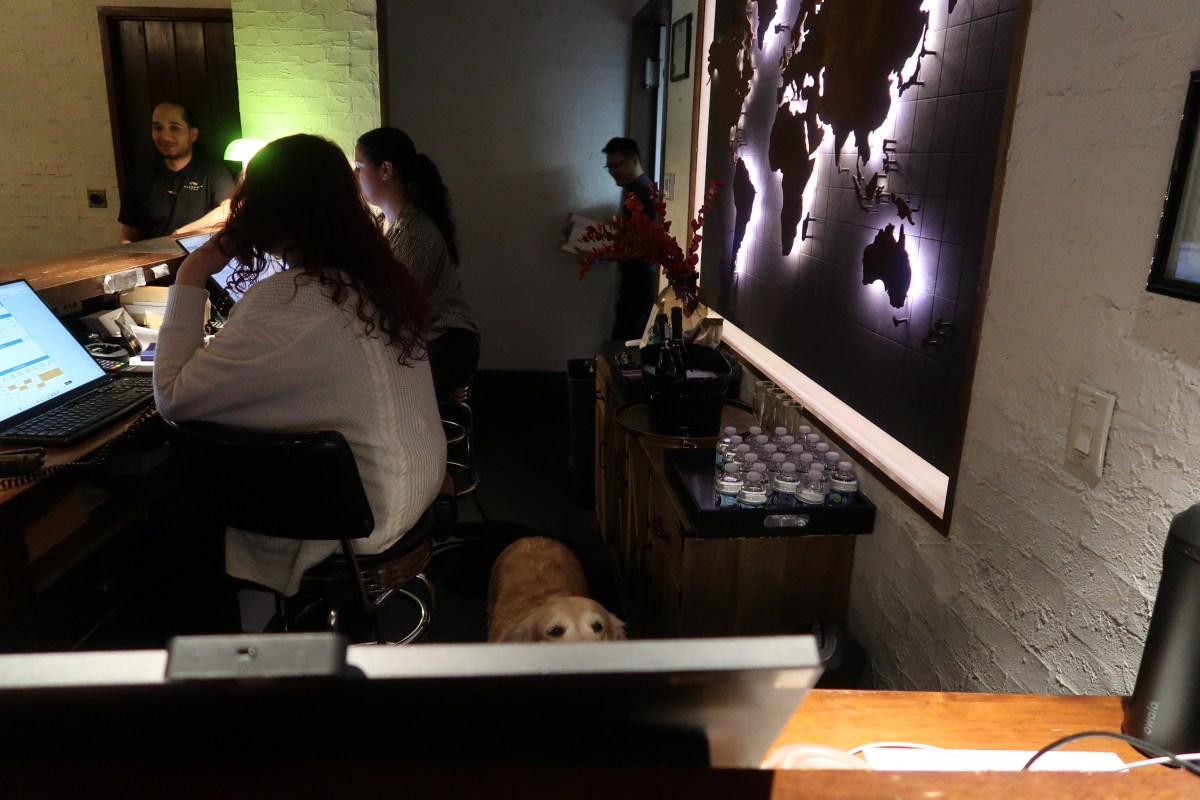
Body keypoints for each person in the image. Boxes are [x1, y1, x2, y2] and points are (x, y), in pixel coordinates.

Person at [154, 133, 446, 597]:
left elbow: (171, 396)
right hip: (414, 487)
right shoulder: (375, 283)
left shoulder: (288, 295)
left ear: (263, 210)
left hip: (363, 521)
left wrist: (192, 273)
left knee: (173, 515)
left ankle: (233, 657)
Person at [354, 127, 479, 397]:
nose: (355, 176)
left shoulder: (416, 233)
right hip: (416, 338)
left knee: (367, 379)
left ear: (385, 170)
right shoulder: (380, 224)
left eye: (359, 167)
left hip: (445, 343)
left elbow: (395, 306)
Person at [118, 101, 235, 244]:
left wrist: (182, 233)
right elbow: (128, 236)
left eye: (174, 128)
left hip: (199, 258)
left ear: (193, 134)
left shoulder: (213, 172)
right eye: (158, 128)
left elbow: (228, 211)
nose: (165, 136)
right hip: (152, 261)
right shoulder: (141, 178)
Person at [602, 137, 659, 342]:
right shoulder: (635, 189)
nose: (613, 171)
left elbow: (641, 247)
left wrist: (600, 254)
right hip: (637, 281)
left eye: (617, 165)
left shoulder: (642, 192)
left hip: (640, 283)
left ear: (634, 160)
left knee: (626, 344)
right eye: (609, 167)